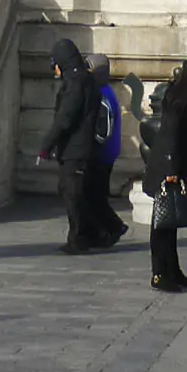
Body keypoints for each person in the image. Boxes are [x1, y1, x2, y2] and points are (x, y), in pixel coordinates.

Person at [141, 50, 187, 293]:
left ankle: (172, 270)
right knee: (162, 221)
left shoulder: (180, 92)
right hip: (168, 164)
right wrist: (172, 168)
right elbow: (172, 135)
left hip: (172, 162)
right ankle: (159, 273)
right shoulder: (181, 97)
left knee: (170, 220)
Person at [37, 39, 101, 253]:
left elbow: (65, 118)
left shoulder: (75, 84)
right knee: (74, 191)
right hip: (81, 146)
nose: (53, 69)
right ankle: (93, 233)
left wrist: (46, 145)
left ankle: (80, 238)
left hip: (76, 148)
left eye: (54, 63)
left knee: (72, 193)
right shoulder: (87, 80)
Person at [84, 54, 127, 248]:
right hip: (107, 152)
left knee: (95, 196)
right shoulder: (105, 91)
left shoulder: (102, 95)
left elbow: (103, 128)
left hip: (102, 153)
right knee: (96, 195)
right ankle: (99, 231)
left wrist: (94, 144)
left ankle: (115, 226)